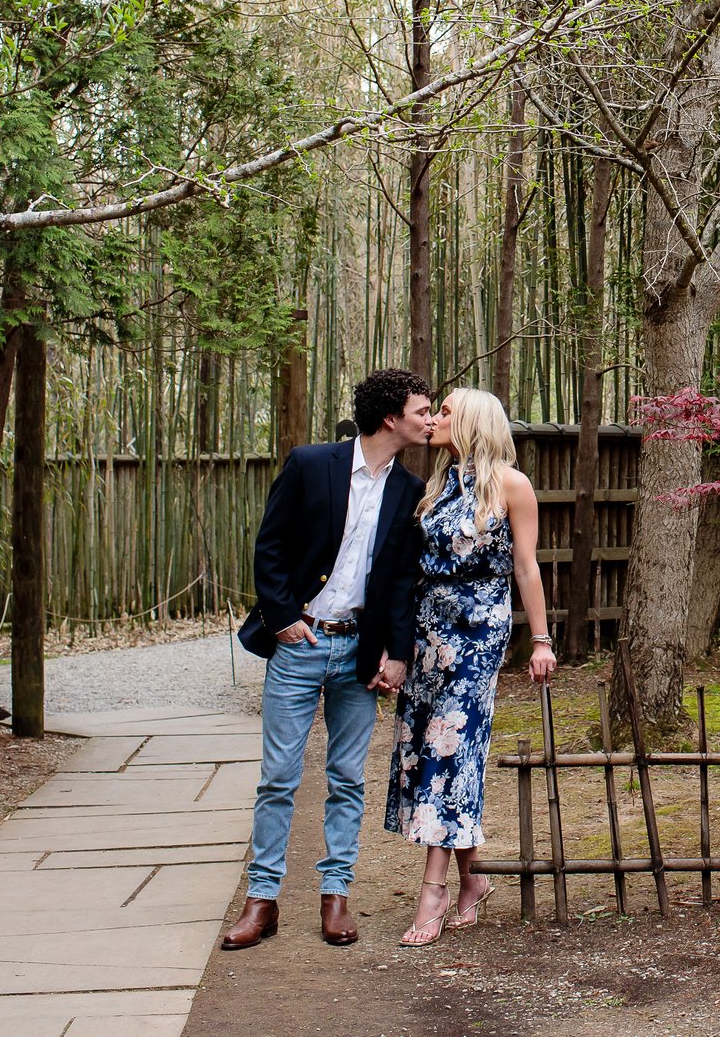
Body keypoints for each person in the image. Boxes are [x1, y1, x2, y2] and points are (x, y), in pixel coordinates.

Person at [222, 367, 435, 951]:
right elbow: (270, 546)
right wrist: (282, 615)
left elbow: (399, 585)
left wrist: (397, 653)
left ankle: (335, 897)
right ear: (391, 417)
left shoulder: (409, 491)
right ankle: (261, 901)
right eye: (423, 410)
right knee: (279, 778)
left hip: (359, 651)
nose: (431, 418)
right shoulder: (311, 463)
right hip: (301, 642)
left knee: (346, 779)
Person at [385, 384, 556, 946]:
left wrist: (541, 640)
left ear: (472, 422)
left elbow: (526, 569)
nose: (433, 418)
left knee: (448, 744)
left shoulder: (512, 484)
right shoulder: (435, 484)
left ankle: (431, 889)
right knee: (433, 746)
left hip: (479, 630)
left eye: (445, 411)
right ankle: (473, 879)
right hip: (428, 630)